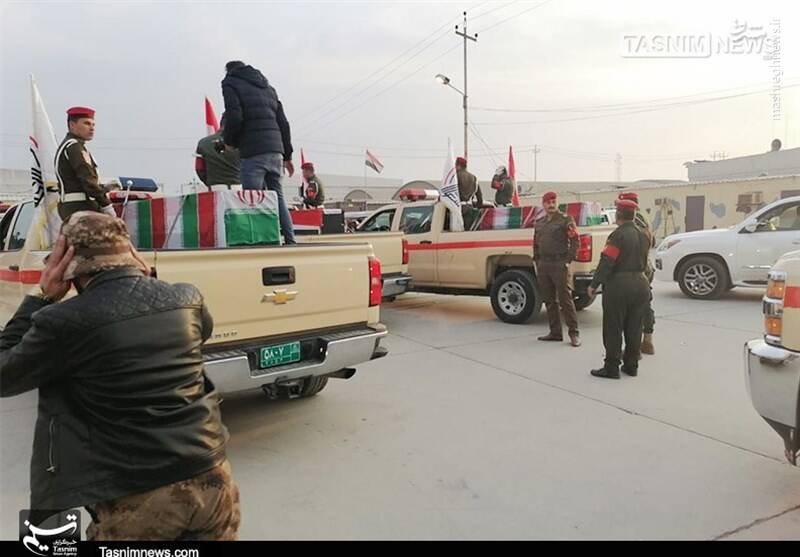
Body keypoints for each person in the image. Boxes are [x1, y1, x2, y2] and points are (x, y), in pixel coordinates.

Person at [0, 212, 239, 540]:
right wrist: (148, 281)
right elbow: (200, 333)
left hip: (139, 496)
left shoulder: (62, 321)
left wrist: (41, 297)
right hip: (213, 479)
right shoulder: (187, 298)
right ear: (131, 254)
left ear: (68, 265)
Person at [221, 60, 296, 244]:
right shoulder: (268, 88)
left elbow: (234, 116)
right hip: (275, 151)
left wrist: (229, 141)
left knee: (252, 200)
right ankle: (290, 240)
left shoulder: (230, 82)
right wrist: (287, 155)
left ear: (229, 71)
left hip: (253, 150)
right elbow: (283, 123)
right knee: (278, 197)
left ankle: (258, 243)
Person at [587, 199, 651, 379]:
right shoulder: (643, 235)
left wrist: (594, 284)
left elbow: (607, 261)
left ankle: (611, 367)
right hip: (641, 283)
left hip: (619, 285)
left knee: (613, 326)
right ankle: (631, 365)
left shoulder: (617, 236)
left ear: (619, 214)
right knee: (635, 326)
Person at [534, 191, 581, 347]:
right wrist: (537, 261)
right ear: (543, 204)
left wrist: (567, 261)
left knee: (565, 300)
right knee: (549, 300)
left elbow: (575, 241)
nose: (551, 205)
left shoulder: (566, 220)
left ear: (557, 203)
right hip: (544, 265)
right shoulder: (539, 222)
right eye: (548, 202)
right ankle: (555, 332)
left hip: (559, 264)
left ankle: (574, 334)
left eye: (553, 202)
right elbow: (536, 243)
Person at [55, 107, 116, 222]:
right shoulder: (74, 147)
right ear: (72, 125)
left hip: (72, 208)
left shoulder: (69, 146)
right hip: (81, 207)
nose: (92, 128)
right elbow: (88, 180)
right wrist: (107, 205)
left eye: (93, 125)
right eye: (87, 123)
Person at [618, 191, 656, 355]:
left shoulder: (636, 219)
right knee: (644, 305)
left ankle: (637, 347)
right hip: (645, 266)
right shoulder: (644, 216)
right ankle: (647, 341)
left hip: (638, 268)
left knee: (635, 310)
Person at [195, 114, 241, 190]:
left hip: (214, 189)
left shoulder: (203, 143)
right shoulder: (243, 142)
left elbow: (199, 168)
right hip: (238, 189)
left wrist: (209, 181)